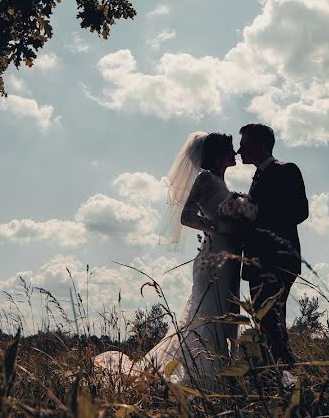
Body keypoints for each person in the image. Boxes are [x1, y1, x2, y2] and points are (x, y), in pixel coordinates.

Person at [94, 131, 245, 388]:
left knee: (228, 314)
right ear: (219, 155)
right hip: (213, 259)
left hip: (230, 259)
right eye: (231, 149)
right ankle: (206, 377)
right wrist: (215, 227)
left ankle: (223, 373)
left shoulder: (222, 183)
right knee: (210, 315)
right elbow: (186, 217)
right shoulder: (205, 180)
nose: (236, 153)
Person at [237, 123, 308, 367]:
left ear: (259, 145)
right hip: (258, 261)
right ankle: (276, 376)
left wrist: (256, 217)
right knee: (263, 321)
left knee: (271, 321)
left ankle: (286, 374)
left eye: (243, 145)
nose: (238, 151)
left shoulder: (286, 170)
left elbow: (300, 211)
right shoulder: (257, 176)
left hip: (277, 260)